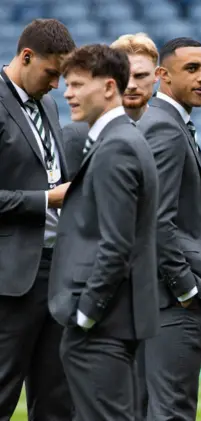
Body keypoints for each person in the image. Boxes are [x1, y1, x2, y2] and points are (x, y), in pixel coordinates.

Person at [49, 43, 159, 420]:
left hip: (103, 324)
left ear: (109, 87)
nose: (67, 93)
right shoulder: (121, 139)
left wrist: (85, 315)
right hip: (113, 321)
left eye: (78, 84)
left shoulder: (117, 147)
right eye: (67, 84)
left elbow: (116, 245)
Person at [136, 37, 201, 421]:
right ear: (161, 76)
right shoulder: (166, 128)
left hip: (153, 300)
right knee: (172, 412)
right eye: (191, 69)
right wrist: (186, 288)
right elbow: (157, 219)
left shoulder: (164, 123)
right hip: (171, 304)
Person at [0, 18, 75, 421]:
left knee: (56, 399)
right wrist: (47, 198)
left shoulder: (47, 103)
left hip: (56, 271)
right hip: (9, 278)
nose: (57, 86)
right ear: (26, 57)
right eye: (52, 74)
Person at [63, 33, 159, 179]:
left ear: (157, 75)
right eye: (126, 76)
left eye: (140, 75)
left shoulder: (169, 131)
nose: (131, 85)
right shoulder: (77, 136)